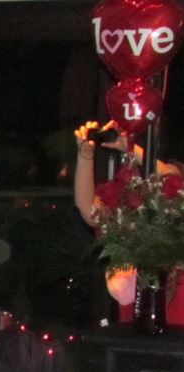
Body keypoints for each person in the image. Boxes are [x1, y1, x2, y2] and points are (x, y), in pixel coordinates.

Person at [73, 120, 184, 323]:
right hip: (136, 323)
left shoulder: (176, 212)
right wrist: (85, 154)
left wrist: (131, 148)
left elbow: (173, 182)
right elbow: (87, 207)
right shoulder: (126, 212)